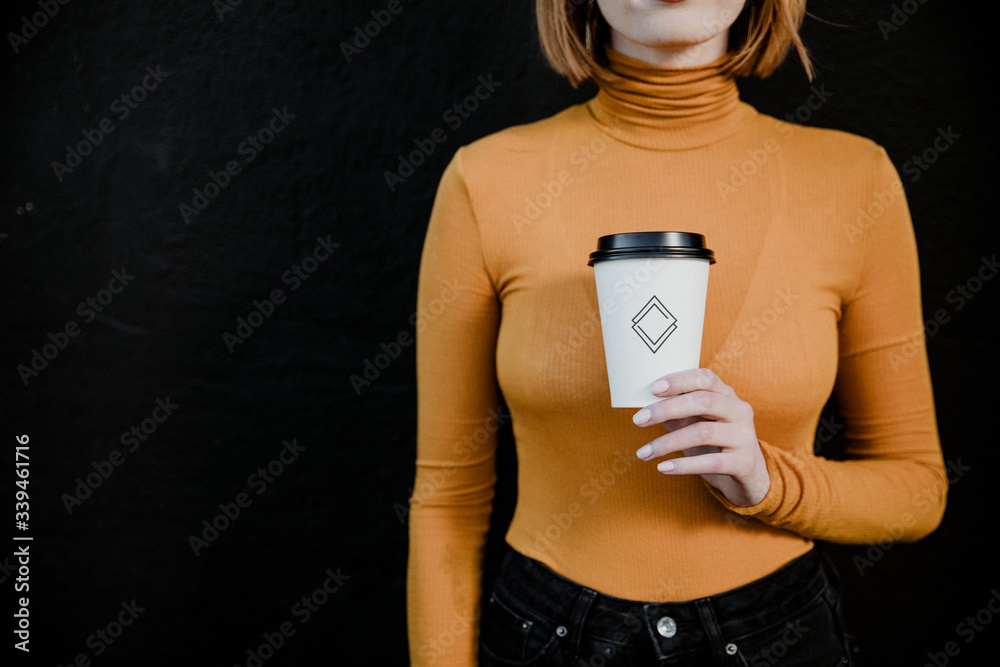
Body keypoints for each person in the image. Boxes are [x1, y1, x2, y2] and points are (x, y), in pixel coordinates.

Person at [407, 0, 948, 664]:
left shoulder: (853, 179)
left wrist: (768, 481)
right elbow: (447, 506)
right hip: (543, 634)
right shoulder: (485, 180)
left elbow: (917, 490)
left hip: (774, 631)